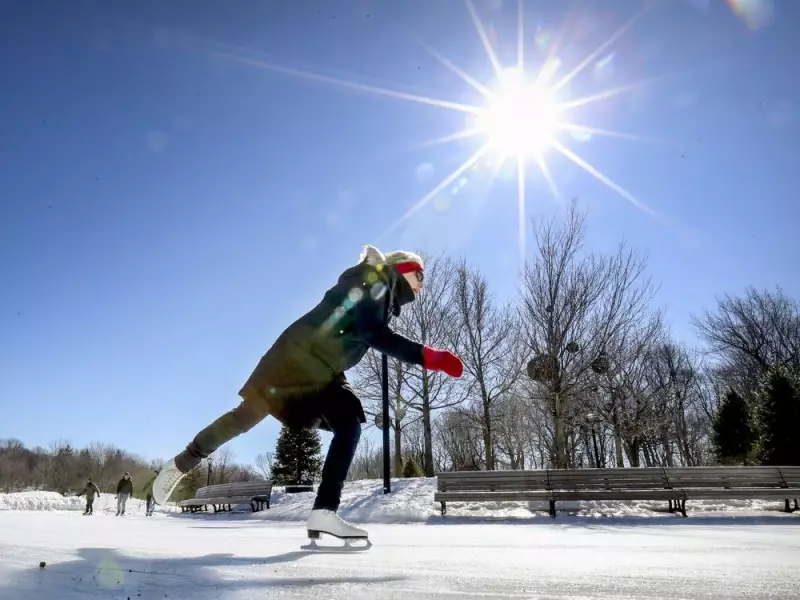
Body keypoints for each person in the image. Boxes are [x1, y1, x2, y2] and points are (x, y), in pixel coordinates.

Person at [152, 245, 463, 541]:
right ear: (402, 269)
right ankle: (181, 463)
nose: (422, 285)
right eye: (419, 275)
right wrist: (430, 357)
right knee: (246, 417)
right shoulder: (374, 281)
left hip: (321, 370)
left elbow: (368, 331)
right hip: (295, 360)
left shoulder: (382, 293)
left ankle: (324, 512)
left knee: (348, 422)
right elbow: (374, 334)